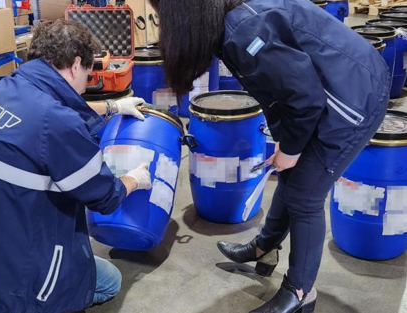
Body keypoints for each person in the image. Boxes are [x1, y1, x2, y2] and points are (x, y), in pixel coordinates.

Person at [149, 0, 390, 312]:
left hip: (354, 98)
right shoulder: (230, 23)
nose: (161, 27)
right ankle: (264, 249)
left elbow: (304, 98)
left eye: (161, 17)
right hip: (331, 88)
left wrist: (291, 149)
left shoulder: (244, 32)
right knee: (290, 175)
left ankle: (300, 291)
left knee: (305, 196)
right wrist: (286, 141)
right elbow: (278, 90)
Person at [0, 20, 152, 313]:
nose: (84, 85)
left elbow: (41, 113)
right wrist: (134, 179)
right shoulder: (58, 124)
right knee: (108, 280)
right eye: (88, 74)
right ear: (76, 65)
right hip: (7, 271)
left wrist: (113, 106)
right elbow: (105, 196)